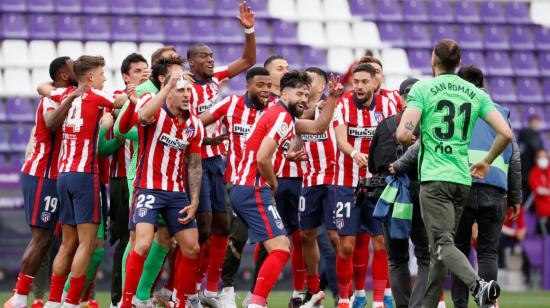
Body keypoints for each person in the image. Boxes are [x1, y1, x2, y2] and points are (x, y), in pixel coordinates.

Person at [395, 39, 513, 308]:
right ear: (458, 63)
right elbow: (506, 133)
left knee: (441, 245)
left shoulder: (423, 88)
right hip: (462, 180)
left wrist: (412, 134)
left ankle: (478, 286)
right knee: (440, 251)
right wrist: (486, 161)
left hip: (435, 179)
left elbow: (403, 132)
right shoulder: (475, 93)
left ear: (433, 59)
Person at [230, 71, 342, 308]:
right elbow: (262, 158)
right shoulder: (281, 117)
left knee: (278, 248)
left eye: (306, 93)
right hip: (253, 188)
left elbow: (319, 127)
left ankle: (257, 300)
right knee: (281, 250)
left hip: (246, 187)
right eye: (298, 93)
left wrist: (331, 97)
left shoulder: (283, 116)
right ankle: (255, 302)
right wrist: (273, 182)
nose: (303, 98)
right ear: (283, 93)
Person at [42, 55, 127, 308]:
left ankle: (54, 301)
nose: (104, 79)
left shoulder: (63, 96)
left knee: (67, 244)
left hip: (63, 175)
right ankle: (70, 302)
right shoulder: (96, 96)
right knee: (87, 244)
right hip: (84, 176)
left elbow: (44, 89)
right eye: (102, 75)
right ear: (90, 77)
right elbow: (121, 100)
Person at [185, 2, 256, 304]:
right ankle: (186, 289)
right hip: (195, 160)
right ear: (190, 63)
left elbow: (249, 59)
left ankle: (209, 289)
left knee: (221, 227)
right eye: (204, 56)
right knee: (199, 230)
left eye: (212, 55)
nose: (211, 60)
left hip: (219, 161)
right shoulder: (182, 87)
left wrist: (248, 29)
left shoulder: (215, 81)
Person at [120, 72, 204, 308]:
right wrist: (167, 88)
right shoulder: (153, 108)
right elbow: (143, 117)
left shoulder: (194, 125)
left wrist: (195, 199)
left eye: (189, 90)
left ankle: (180, 302)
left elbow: (195, 164)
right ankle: (127, 304)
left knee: (192, 248)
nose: (187, 95)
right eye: (181, 90)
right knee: (143, 244)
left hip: (177, 194)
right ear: (168, 92)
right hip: (147, 189)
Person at [4, 57, 78, 308]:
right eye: (73, 65)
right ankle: (20, 296)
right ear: (65, 75)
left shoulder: (69, 94)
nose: (78, 67)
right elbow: (51, 122)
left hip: (62, 175)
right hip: (43, 173)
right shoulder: (52, 97)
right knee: (42, 237)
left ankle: (57, 299)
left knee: (66, 238)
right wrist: (71, 97)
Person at [450, 65, 522, 308]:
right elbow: (514, 157)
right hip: (496, 190)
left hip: (463, 187)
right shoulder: (500, 113)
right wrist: (515, 197)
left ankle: (460, 304)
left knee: (459, 250)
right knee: (488, 252)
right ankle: (488, 304)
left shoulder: (456, 111)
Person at [198, 67, 271, 307]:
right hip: (237, 181)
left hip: (266, 184)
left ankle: (255, 294)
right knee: (237, 236)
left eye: (269, 86)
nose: (266, 90)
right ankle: (226, 289)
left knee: (271, 240)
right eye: (261, 85)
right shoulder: (230, 105)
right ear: (249, 86)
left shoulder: (275, 110)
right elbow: (199, 124)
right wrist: (207, 139)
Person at [332, 63, 397, 308]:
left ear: (374, 83)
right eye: (355, 82)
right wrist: (354, 153)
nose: (358, 86)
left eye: (363, 82)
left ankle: (379, 301)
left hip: (377, 184)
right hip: (347, 183)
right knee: (347, 245)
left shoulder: (389, 105)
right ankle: (345, 299)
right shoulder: (343, 104)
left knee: (381, 242)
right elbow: (340, 140)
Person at [368, 77, 436, 308]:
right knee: (426, 257)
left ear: (400, 97)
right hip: (421, 195)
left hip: (391, 195)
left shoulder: (385, 124)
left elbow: (372, 165)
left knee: (397, 259)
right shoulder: (430, 124)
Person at [109, 52, 150, 307]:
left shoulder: (150, 98)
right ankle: (118, 298)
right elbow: (115, 102)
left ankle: (140, 295)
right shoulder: (117, 97)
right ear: (126, 76)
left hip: (147, 180)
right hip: (122, 178)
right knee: (127, 240)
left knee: (149, 241)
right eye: (138, 71)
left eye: (146, 70)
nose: (143, 74)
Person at [297, 67, 337, 307]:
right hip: (309, 181)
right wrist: (293, 152)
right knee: (305, 236)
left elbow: (339, 137)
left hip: (333, 181)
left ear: (321, 87)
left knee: (335, 238)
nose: (304, 84)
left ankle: (347, 294)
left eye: (308, 80)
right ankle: (314, 291)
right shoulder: (299, 113)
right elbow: (295, 140)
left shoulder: (333, 108)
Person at [519, 115, 544, 203]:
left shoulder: (522, 135)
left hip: (520, 171)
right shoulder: (533, 136)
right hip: (530, 172)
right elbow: (539, 152)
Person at [528, 148, 550, 234]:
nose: (543, 159)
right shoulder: (534, 173)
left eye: (545, 156)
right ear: (536, 159)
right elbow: (538, 190)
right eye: (540, 157)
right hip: (543, 212)